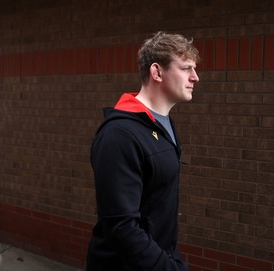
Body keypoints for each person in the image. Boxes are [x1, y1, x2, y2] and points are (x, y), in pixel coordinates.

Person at [86, 31, 200, 271]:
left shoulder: (163, 124)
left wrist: (173, 257)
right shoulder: (119, 135)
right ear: (157, 72)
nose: (195, 77)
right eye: (186, 68)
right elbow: (122, 228)